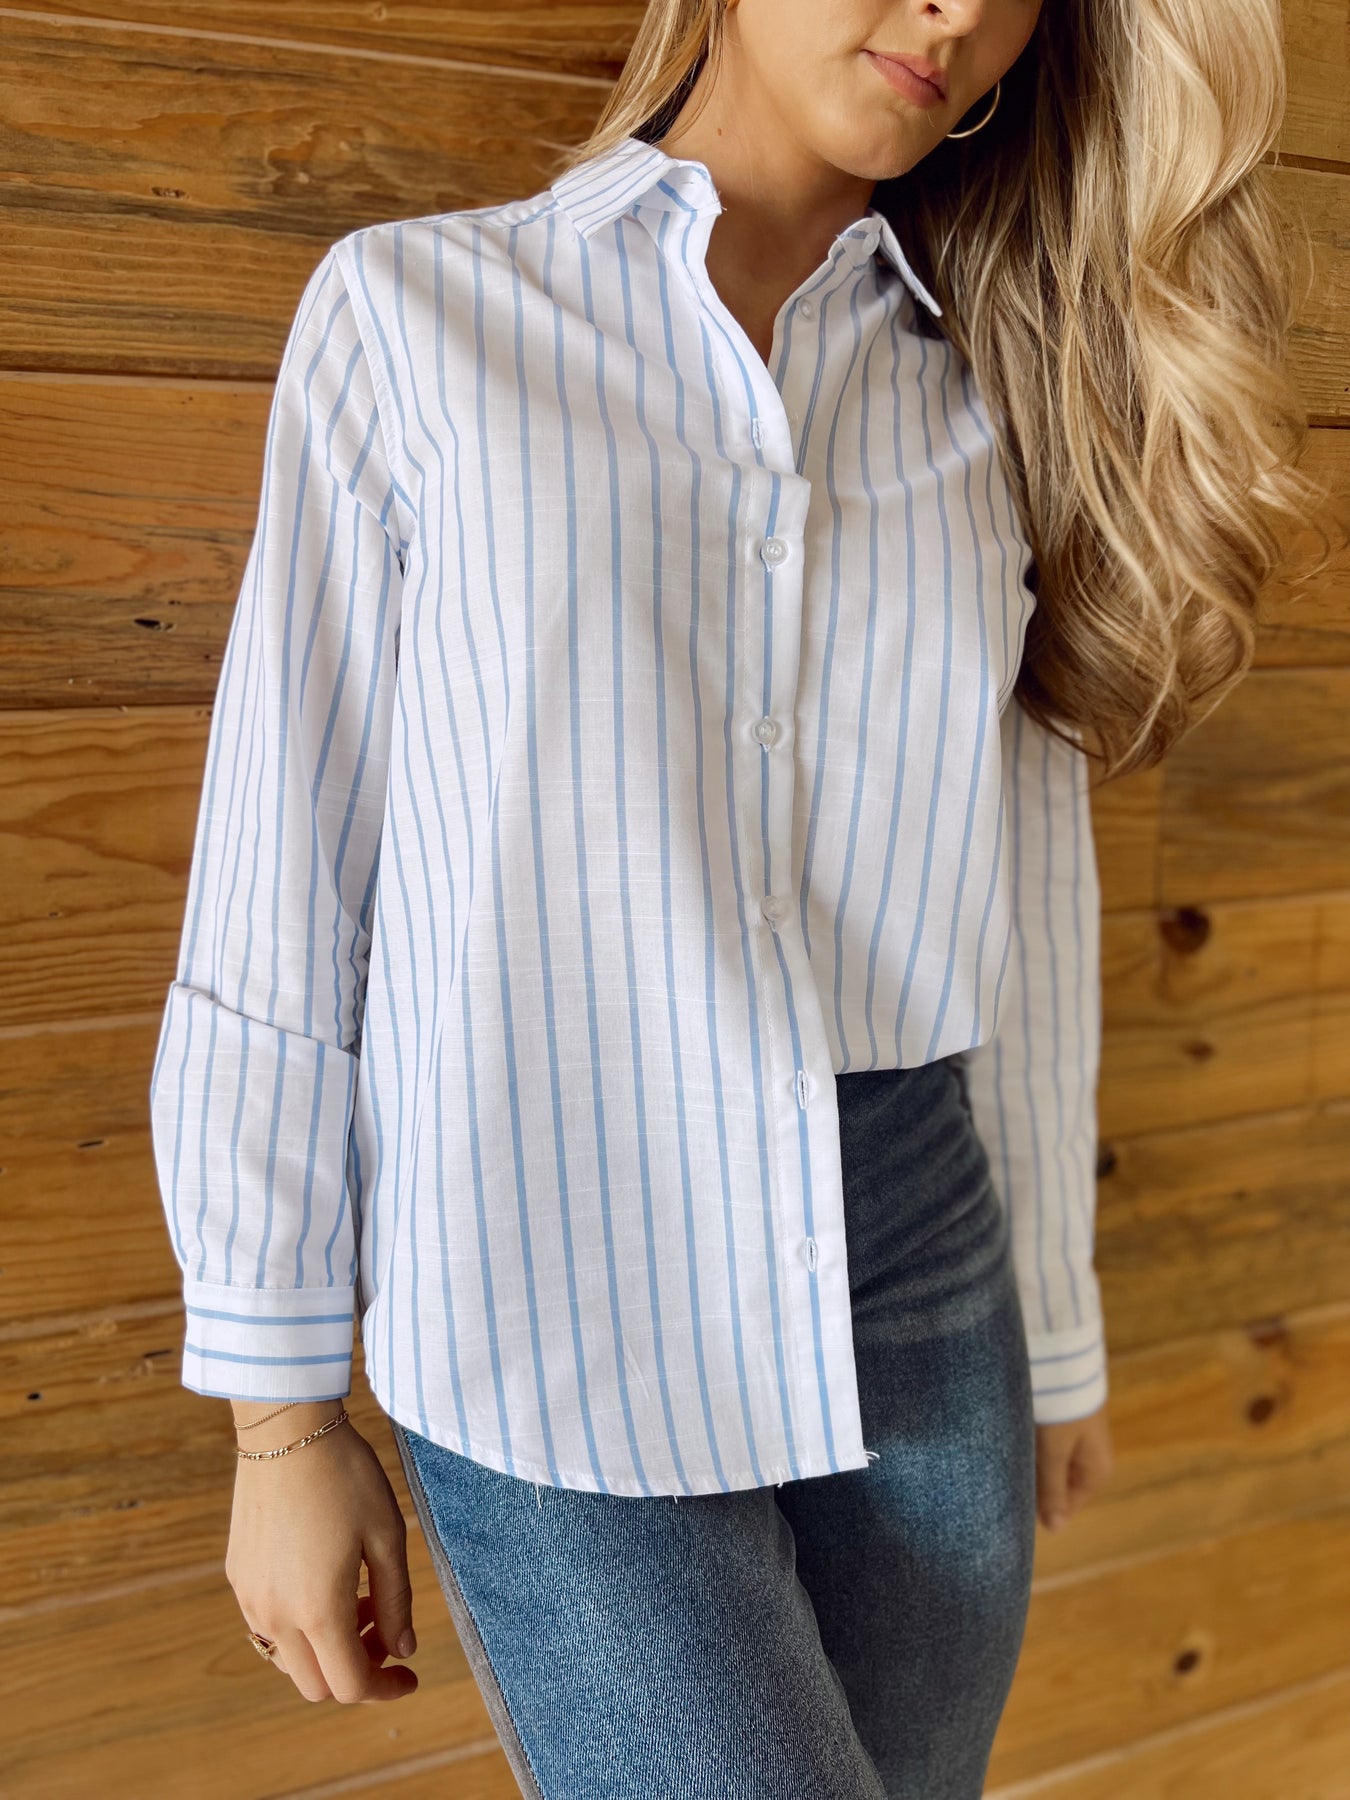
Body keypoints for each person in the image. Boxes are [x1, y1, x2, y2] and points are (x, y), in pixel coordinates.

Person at [148, 0, 1326, 1792]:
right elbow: (286, 872)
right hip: (543, 1276)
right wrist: (278, 1415)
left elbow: (1018, 887)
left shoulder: (992, 396)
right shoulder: (414, 315)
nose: (957, 9)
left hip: (920, 1259)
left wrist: (1056, 1330)